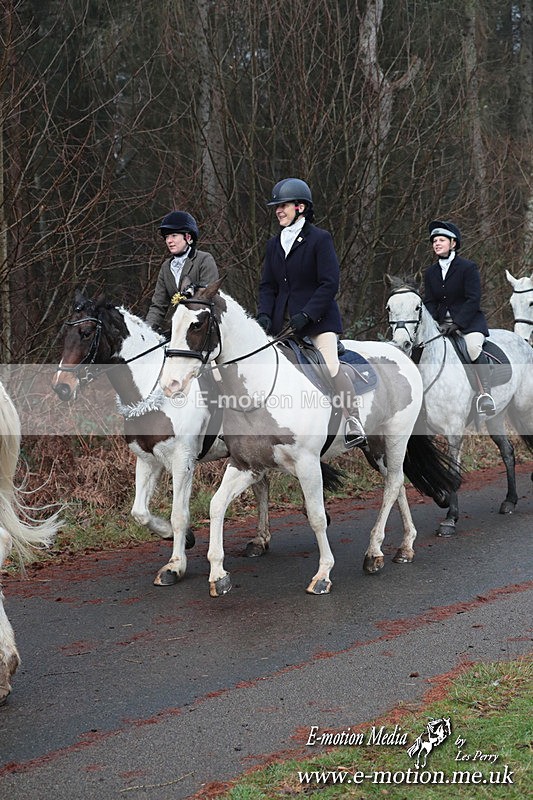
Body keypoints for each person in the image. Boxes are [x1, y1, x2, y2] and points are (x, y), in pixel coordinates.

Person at [256, 177, 365, 447]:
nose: (278, 210)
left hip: (318, 322)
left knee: (329, 366)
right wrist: (264, 315)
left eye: (283, 205)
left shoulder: (320, 239)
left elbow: (329, 283)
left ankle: (353, 420)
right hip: (283, 324)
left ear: (301, 207)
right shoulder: (274, 244)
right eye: (277, 206)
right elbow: (268, 285)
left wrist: (308, 314)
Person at [423, 219, 495, 415]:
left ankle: (485, 395)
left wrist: (457, 323)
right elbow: (429, 301)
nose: (436, 243)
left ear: (453, 243)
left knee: (472, 348)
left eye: (441, 240)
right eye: (434, 241)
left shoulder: (467, 267)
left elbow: (473, 299)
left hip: (468, 324)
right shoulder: (430, 273)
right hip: (440, 324)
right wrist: (434, 322)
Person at [146, 211, 219, 333]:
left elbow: (208, 298)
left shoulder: (204, 260)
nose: (169, 241)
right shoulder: (166, 267)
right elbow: (158, 306)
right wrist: (146, 332)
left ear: (188, 237)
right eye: (167, 237)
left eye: (174, 235)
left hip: (202, 330)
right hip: (176, 329)